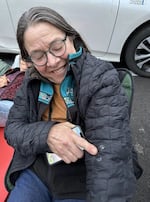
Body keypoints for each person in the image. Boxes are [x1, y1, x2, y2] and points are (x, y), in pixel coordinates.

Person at [4, 6, 138, 202]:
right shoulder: (31, 79)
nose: (52, 61)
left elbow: (109, 154)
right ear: (28, 58)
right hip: (40, 169)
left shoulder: (101, 78)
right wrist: (48, 133)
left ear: (71, 37)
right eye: (39, 55)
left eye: (57, 46)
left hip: (83, 175)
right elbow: (13, 129)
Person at [0, 55, 29, 127]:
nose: (25, 66)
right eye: (23, 63)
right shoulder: (13, 71)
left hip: (13, 103)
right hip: (3, 97)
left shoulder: (34, 76)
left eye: (28, 64)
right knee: (18, 56)